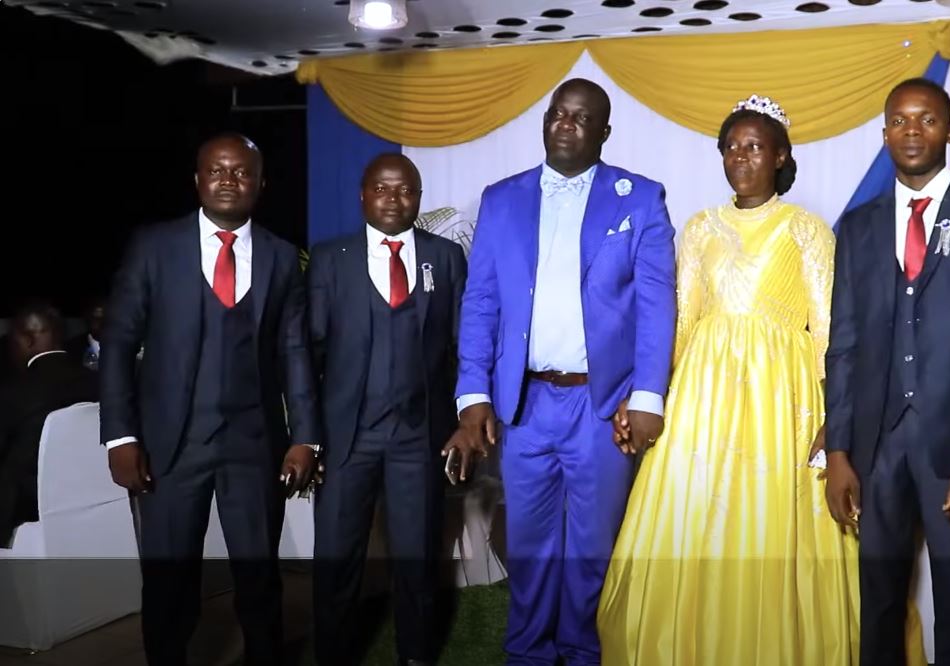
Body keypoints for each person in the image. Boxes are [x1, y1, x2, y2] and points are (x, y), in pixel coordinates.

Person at [597, 95, 927, 666]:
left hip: (782, 398)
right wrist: (648, 393)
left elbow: (830, 330)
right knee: (697, 517)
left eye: (754, 146)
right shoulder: (699, 228)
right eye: (731, 147)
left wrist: (837, 417)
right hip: (703, 396)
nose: (741, 157)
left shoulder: (806, 229)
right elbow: (682, 321)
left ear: (779, 156)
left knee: (775, 521)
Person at [445, 78, 676, 665]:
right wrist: (473, 394)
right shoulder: (502, 199)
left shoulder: (640, 198)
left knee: (592, 546)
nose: (565, 124)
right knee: (529, 542)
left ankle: (580, 650)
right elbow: (481, 301)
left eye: (581, 117)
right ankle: (528, 652)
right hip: (524, 404)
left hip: (601, 405)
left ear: (604, 132)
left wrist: (647, 398)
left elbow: (656, 306)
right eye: (557, 113)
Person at [823, 77, 950, 666]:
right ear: (884, 133)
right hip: (876, 448)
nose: (912, 131)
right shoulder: (858, 226)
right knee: (879, 606)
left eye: (927, 119)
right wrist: (838, 451)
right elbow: (844, 346)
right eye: (899, 120)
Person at [100, 133, 320, 666]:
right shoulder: (154, 247)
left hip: (253, 445)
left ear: (260, 183)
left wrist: (306, 438)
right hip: (170, 448)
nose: (228, 180)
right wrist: (120, 436)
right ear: (198, 180)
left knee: (259, 579)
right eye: (217, 170)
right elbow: (119, 342)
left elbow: (294, 352)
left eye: (241, 172)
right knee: (169, 581)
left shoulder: (280, 256)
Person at [308, 153, 466, 666]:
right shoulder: (330, 259)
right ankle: (334, 655)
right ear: (363, 195)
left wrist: (465, 418)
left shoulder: (445, 258)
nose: (393, 199)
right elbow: (309, 353)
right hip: (346, 437)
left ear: (418, 198)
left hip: (419, 437)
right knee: (337, 558)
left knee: (417, 558)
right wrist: (308, 435)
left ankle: (416, 655)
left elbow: (463, 346)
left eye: (405, 190)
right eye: (382, 188)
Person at [0, 303, 98, 546]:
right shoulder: (99, 382)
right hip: (93, 504)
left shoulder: (12, 393)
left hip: (24, 515)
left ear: (27, 340)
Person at [65, 296, 106, 370]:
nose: (99, 323)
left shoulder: (121, 346)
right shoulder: (72, 347)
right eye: (95, 318)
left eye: (102, 318)